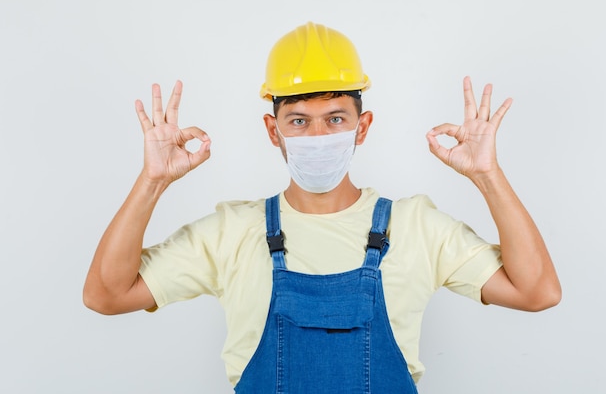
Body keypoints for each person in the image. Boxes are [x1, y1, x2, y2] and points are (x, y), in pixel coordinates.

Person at [83, 22, 561, 393]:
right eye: (298, 120)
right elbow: (106, 295)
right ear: (274, 131)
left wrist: (487, 176)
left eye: (335, 119)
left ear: (362, 125)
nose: (318, 137)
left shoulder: (417, 226)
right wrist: (152, 182)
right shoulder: (231, 231)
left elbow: (537, 291)